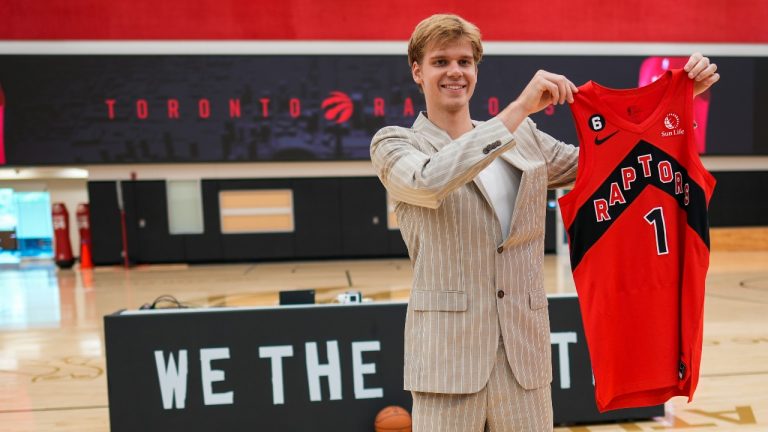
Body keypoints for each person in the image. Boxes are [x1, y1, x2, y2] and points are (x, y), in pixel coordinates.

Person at [370, 13, 719, 432]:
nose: (454, 72)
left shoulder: (527, 137)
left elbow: (610, 162)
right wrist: (517, 110)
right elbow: (428, 182)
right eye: (440, 61)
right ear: (417, 71)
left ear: (476, 70)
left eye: (464, 61)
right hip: (448, 364)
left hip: (525, 360)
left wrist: (676, 106)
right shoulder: (395, 143)